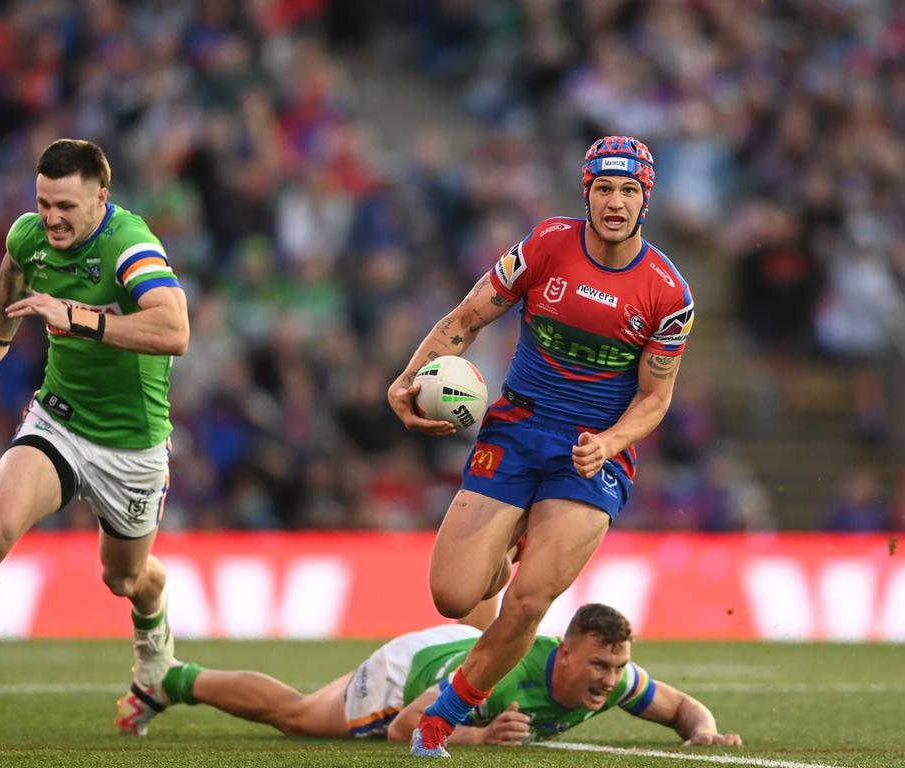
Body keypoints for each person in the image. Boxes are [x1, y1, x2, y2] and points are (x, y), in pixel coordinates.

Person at [386, 136, 695, 756]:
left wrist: (608, 443)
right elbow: (465, 320)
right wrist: (406, 379)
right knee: (453, 596)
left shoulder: (670, 294)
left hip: (591, 456)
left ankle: (438, 723)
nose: (615, 202)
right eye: (604, 189)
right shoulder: (544, 246)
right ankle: (507, 546)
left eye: (629, 191)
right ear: (587, 193)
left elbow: (655, 400)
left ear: (645, 201)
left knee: (528, 602)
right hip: (518, 428)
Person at [0, 139, 189, 723]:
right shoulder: (29, 235)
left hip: (133, 444)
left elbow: (175, 329)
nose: (52, 218)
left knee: (124, 578)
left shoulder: (129, 245)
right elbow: (13, 270)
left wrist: (74, 317)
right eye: (44, 202)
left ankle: (154, 643)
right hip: (59, 420)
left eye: (67, 206)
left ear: (102, 197)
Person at [115, 603, 741, 748]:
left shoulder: (617, 680)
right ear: (567, 656)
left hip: (465, 646)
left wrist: (703, 733)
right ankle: (172, 678)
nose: (611, 679)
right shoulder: (507, 678)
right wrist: (476, 737)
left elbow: (685, 708)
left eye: (619, 666)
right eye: (601, 665)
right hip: (414, 672)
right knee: (301, 718)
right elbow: (407, 730)